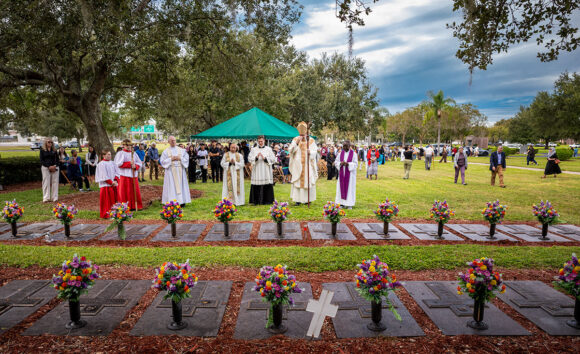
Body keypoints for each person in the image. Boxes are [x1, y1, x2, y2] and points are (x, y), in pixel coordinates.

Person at [288, 122, 318, 205]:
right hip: (298, 164)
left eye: (303, 134)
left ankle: (307, 200)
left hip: (307, 165)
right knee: (297, 181)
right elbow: (290, 150)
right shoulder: (295, 139)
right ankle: (297, 200)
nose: (302, 136)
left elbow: (315, 152)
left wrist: (310, 152)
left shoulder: (311, 140)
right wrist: (296, 143)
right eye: (301, 134)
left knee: (307, 181)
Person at [160, 136, 191, 207]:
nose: (173, 142)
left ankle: (182, 201)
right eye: (171, 140)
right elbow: (162, 162)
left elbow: (186, 159)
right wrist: (170, 159)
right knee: (172, 186)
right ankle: (172, 201)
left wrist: (180, 158)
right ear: (168, 142)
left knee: (181, 185)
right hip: (171, 171)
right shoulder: (165, 151)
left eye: (174, 140)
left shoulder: (182, 150)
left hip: (180, 171)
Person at [115, 139, 143, 210]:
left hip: (133, 175)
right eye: (127, 145)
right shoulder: (120, 153)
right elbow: (118, 164)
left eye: (130, 145)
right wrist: (129, 164)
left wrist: (135, 166)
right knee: (125, 192)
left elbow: (139, 163)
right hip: (124, 175)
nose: (128, 147)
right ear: (123, 145)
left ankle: (135, 206)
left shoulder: (134, 153)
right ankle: (125, 206)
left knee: (134, 191)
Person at [248, 135, 276, 205]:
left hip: (265, 169)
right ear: (257, 141)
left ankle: (267, 201)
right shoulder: (253, 149)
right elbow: (249, 158)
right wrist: (256, 157)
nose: (260, 143)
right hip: (257, 169)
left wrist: (265, 158)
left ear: (264, 141)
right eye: (259, 141)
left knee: (266, 183)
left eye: (261, 141)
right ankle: (256, 201)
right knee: (256, 183)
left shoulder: (268, 149)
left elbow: (273, 159)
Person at [95, 150, 119, 218]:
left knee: (114, 200)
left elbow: (117, 172)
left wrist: (115, 180)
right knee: (107, 201)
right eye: (108, 154)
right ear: (104, 155)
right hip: (106, 186)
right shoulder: (101, 164)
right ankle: (107, 214)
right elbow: (103, 176)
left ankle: (114, 213)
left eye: (110, 154)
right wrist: (111, 183)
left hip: (113, 184)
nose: (110, 156)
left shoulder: (112, 163)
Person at [334, 141, 357, 209]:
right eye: (343, 146)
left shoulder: (354, 154)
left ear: (349, 146)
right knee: (340, 188)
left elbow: (356, 164)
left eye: (346, 146)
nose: (344, 147)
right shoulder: (340, 153)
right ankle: (341, 203)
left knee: (350, 189)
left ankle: (349, 204)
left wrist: (348, 164)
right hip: (342, 174)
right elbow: (336, 162)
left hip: (350, 175)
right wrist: (340, 163)